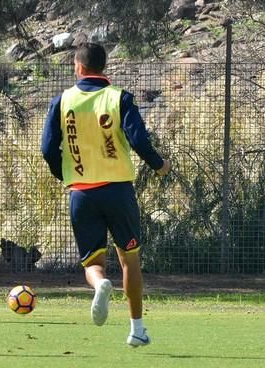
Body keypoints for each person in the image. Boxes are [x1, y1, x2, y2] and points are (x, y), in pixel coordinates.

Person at [41, 43, 171, 347]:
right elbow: (138, 138)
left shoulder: (62, 101)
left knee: (92, 263)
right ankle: (136, 329)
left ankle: (100, 284)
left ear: (78, 67)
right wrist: (159, 165)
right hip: (118, 191)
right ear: (103, 67)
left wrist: (66, 174)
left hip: (82, 194)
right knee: (130, 260)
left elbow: (48, 149)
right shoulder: (119, 98)